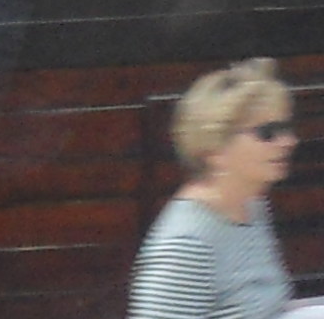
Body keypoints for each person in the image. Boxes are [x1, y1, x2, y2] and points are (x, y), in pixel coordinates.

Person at [126, 60, 299, 319]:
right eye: (268, 132)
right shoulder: (187, 244)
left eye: (285, 128)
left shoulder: (252, 207)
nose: (289, 141)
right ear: (215, 149)